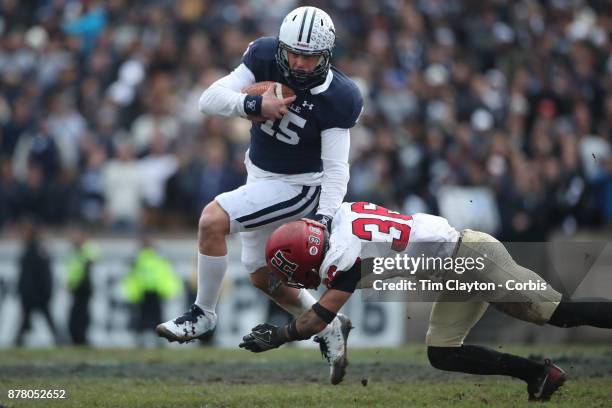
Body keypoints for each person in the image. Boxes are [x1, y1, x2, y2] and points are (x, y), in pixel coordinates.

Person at [156, 6, 363, 384]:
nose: (299, 63)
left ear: (327, 54)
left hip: (300, 185)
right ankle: (327, 323)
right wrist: (252, 104)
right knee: (261, 276)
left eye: (309, 55)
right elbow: (209, 99)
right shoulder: (265, 55)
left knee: (212, 219)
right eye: (293, 53)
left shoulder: (338, 96)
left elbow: (336, 169)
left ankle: (203, 313)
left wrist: (325, 217)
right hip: (260, 174)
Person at [239, 201, 612, 401]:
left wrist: (279, 335)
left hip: (472, 257)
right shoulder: (339, 215)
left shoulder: (342, 259)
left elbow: (318, 321)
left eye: (294, 270)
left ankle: (540, 373)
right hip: (453, 269)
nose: (297, 278)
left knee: (559, 313)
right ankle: (538, 375)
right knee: (442, 352)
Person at [124, 237, 182, 345]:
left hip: (152, 292)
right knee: (149, 317)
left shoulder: (139, 259)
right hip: (146, 293)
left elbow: (164, 275)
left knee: (150, 317)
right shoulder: (152, 259)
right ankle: (150, 339)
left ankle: (150, 340)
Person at [16, 222, 58, 345]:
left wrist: (43, 292)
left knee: (31, 319)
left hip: (35, 294)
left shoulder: (35, 251)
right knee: (28, 320)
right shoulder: (35, 249)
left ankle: (18, 342)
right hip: (33, 293)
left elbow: (38, 275)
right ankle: (18, 341)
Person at [66, 228, 97, 345]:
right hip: (76, 288)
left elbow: (90, 261)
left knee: (81, 314)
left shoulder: (87, 249)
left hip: (84, 287)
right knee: (77, 315)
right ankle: (77, 338)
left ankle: (81, 338)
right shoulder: (74, 252)